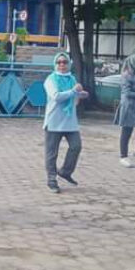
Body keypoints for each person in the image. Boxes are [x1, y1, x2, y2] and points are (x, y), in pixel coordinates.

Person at [43, 53, 89, 193]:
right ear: (55, 64)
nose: (62, 65)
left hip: (70, 121)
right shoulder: (51, 79)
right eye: (59, 62)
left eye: (65, 62)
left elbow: (74, 95)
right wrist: (74, 91)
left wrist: (82, 94)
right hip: (54, 121)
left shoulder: (71, 79)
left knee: (76, 146)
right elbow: (56, 96)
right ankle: (52, 180)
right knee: (52, 153)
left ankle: (65, 171)